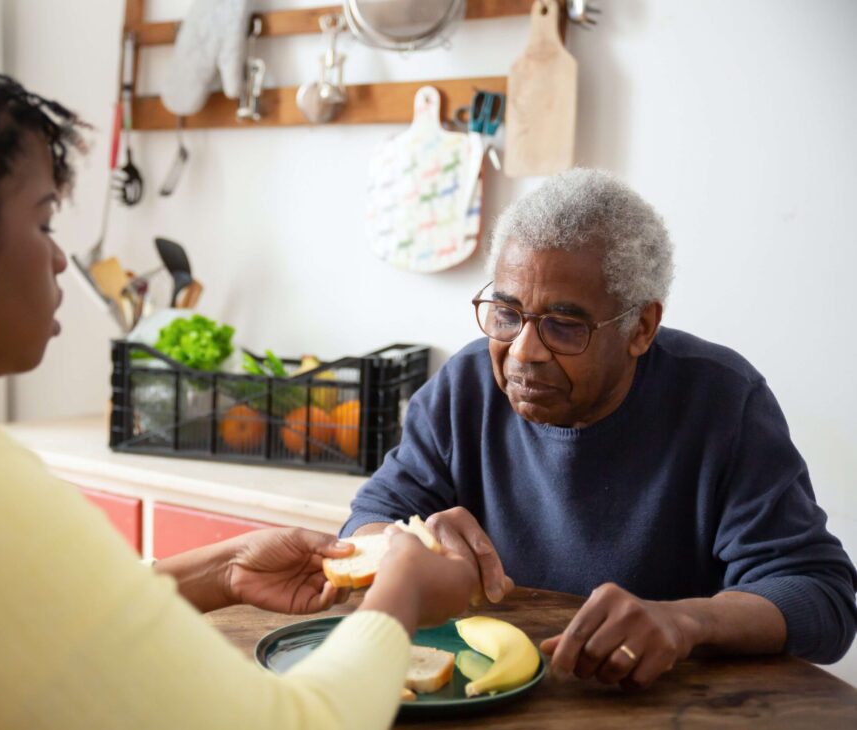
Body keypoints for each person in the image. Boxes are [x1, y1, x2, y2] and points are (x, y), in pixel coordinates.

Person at [0, 24, 481, 730]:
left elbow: (8, 625)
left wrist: (220, 571)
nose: (58, 260)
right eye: (43, 219)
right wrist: (400, 595)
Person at [344, 168, 857, 689]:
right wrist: (401, 544)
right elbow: (367, 521)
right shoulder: (465, 388)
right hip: (491, 703)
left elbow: (821, 597)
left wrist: (687, 620)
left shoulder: (722, 402)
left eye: (564, 326)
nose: (523, 351)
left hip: (670, 714)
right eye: (506, 313)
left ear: (642, 328)